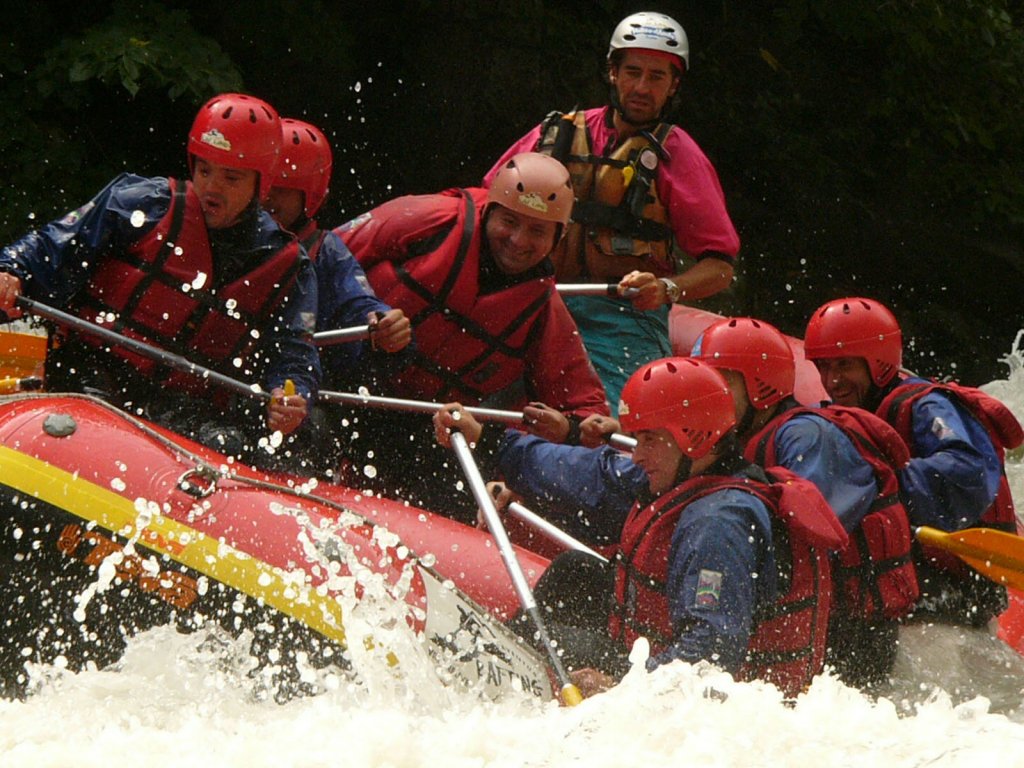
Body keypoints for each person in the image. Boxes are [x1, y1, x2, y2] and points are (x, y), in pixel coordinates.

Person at [441, 316, 918, 686]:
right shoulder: (699, 465)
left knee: (553, 642)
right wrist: (493, 443)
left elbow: (711, 654)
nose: (639, 453)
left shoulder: (720, 518)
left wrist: (618, 688)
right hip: (692, 628)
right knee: (576, 574)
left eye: (649, 440)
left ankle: (492, 682)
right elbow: (596, 474)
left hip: (753, 678)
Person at [0, 93, 320, 465]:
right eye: (204, 170)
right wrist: (11, 271)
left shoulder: (288, 265)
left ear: (260, 185)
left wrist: (289, 393)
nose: (212, 187)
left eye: (231, 177)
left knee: (234, 445)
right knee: (91, 409)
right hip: (91, 369)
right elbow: (50, 246)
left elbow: (295, 353)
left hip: (184, 404)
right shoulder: (142, 203)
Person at [484, 11, 740, 407]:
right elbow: (482, 205)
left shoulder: (679, 154)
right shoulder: (557, 135)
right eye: (633, 71)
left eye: (657, 77)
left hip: (622, 321)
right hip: (537, 303)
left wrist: (667, 289)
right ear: (612, 73)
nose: (641, 87)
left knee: (607, 421)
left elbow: (721, 267)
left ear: (674, 85)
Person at [336, 152, 609, 519]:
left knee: (446, 481)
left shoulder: (542, 311)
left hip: (427, 428)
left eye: (537, 231)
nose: (518, 240)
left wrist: (569, 428)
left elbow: (586, 411)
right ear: (489, 211)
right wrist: (361, 311)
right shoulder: (426, 220)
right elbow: (322, 260)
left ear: (558, 238)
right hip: (339, 383)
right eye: (509, 221)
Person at [804, 297, 1024, 625]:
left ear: (877, 362)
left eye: (844, 365)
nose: (832, 380)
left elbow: (969, 473)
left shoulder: (926, 406)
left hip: (956, 593)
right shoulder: (848, 414)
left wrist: (882, 483)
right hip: (908, 583)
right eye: (824, 366)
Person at [266, 117, 411, 388]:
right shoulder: (219, 228)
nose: (267, 197)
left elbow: (359, 304)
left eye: (282, 189)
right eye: (262, 183)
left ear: (309, 196)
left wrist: (383, 322)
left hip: (290, 387)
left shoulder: (326, 252)